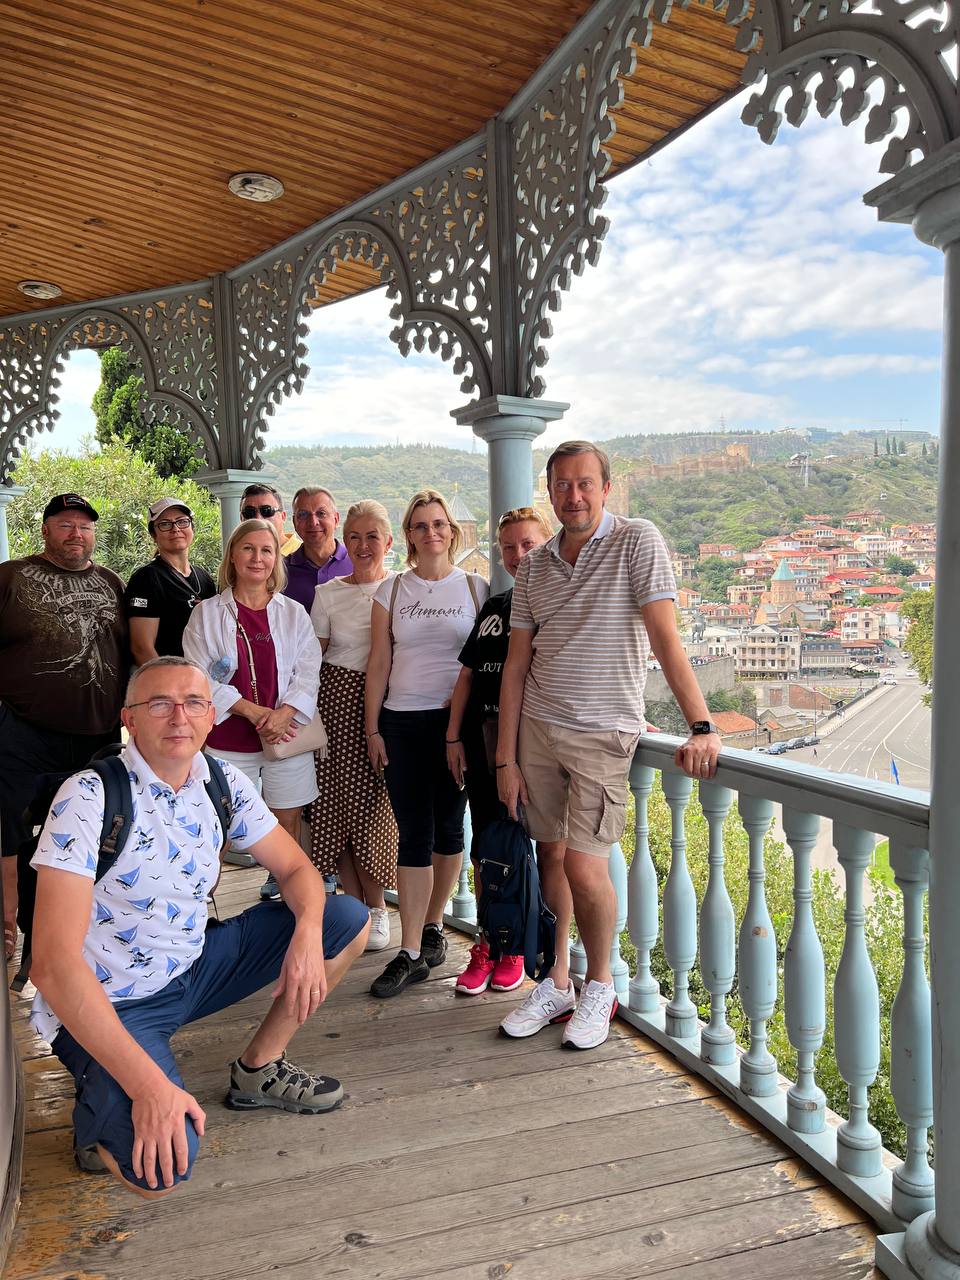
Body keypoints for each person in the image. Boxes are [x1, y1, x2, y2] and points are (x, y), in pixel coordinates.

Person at [28, 655, 370, 1197]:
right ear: (129, 719)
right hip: (112, 1000)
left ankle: (259, 1068)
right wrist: (149, 1089)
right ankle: (104, 1104)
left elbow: (296, 869)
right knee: (160, 1172)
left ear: (212, 716)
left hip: (193, 967)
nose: (178, 717)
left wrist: (307, 934)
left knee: (344, 919)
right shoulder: (89, 796)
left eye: (193, 703)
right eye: (159, 704)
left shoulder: (221, 781)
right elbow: (51, 965)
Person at [497, 442, 721, 1050]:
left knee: (584, 864)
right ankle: (558, 980)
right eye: (562, 485)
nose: (573, 496)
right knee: (550, 856)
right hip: (538, 727)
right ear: (549, 491)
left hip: (603, 731)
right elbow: (516, 664)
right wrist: (506, 757)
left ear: (606, 487)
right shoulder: (536, 566)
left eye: (585, 484)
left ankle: (600, 984)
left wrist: (701, 725)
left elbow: (665, 636)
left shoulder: (636, 539)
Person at [365, 488, 489, 998]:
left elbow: (484, 665)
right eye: (420, 525)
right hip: (401, 722)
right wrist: (372, 728)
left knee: (449, 828)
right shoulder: (391, 591)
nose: (431, 532)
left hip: (454, 727)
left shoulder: (476, 588)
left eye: (439, 524)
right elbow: (379, 662)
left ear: (451, 531)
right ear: (409, 535)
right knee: (413, 830)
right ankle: (411, 950)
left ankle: (434, 925)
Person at [0, 493, 127, 960]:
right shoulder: (10, 577)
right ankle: (8, 926)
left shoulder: (112, 582)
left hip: (98, 736)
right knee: (10, 834)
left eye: (85, 526)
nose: (77, 534)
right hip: (23, 732)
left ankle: (73, 936)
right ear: (46, 530)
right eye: (66, 524)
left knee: (85, 836)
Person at [183, 519, 322, 903]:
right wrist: (254, 712)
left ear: (276, 559)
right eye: (248, 548)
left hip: (286, 736)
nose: (257, 558)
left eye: (266, 550)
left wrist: (284, 713)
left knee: (287, 823)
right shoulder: (207, 615)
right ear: (232, 555)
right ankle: (200, 908)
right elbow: (197, 676)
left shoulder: (293, 613)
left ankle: (288, 904)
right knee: (218, 826)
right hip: (229, 740)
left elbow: (309, 670)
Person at [445, 506, 553, 995]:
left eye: (528, 544)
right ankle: (490, 940)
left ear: (548, 543)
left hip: (534, 745)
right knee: (489, 846)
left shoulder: (558, 605)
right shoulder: (495, 606)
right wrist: (453, 737)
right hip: (483, 740)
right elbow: (466, 675)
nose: (517, 555)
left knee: (534, 849)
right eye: (508, 547)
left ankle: (518, 946)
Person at [310, 501, 398, 951]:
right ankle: (356, 910)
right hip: (337, 701)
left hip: (388, 702)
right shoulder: (328, 593)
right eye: (355, 537)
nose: (363, 546)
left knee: (373, 808)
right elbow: (313, 659)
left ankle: (378, 907)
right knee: (335, 806)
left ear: (389, 541)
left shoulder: (401, 588)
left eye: (372, 537)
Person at [125, 498, 217, 664]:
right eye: (165, 524)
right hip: (169, 676)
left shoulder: (204, 578)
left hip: (204, 674)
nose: (175, 529)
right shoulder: (146, 579)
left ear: (192, 528)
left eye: (182, 521)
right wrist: (167, 679)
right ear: (154, 535)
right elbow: (141, 648)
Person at [284, 487, 352, 613]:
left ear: (336, 519)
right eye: (303, 515)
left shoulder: (356, 564)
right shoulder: (280, 572)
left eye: (321, 513)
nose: (313, 522)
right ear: (294, 522)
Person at [239, 483, 298, 556]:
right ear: (241, 518)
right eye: (249, 512)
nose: (258, 519)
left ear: (283, 517)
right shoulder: (237, 555)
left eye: (266, 511)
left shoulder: (304, 554)